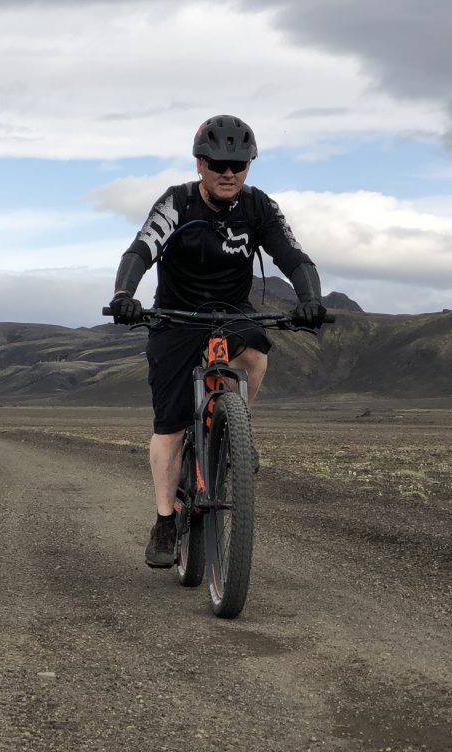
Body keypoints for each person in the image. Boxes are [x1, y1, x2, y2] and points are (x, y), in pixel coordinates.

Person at [108, 115, 327, 569]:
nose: (229, 173)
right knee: (168, 426)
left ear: (248, 166)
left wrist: (311, 300)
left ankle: (237, 429)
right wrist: (124, 295)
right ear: (200, 163)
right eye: (218, 164)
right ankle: (165, 520)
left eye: (239, 165)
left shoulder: (258, 207)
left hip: (231, 314)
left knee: (255, 353)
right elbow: (142, 248)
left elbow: (292, 254)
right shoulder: (177, 202)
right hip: (176, 316)